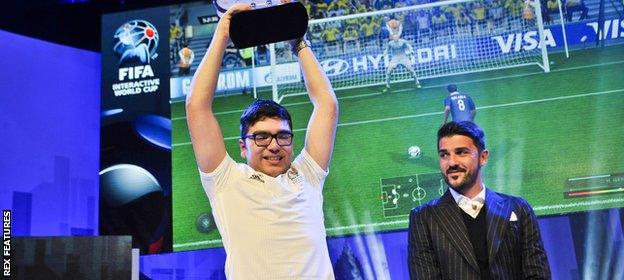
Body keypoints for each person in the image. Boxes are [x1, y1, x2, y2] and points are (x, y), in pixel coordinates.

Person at [185, 3, 339, 279]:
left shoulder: (308, 175)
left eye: (282, 135)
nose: (274, 145)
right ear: (242, 146)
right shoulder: (226, 182)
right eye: (261, 137)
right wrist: (222, 34)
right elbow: (197, 106)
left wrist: (298, 40)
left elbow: (327, 104)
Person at [408, 121, 551, 279]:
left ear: (483, 157)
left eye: (461, 152)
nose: (452, 162)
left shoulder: (519, 208)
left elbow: (537, 273)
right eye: (444, 155)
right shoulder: (424, 217)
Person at [382, 28, 421, 93]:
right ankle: (387, 86)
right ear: (392, 38)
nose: (395, 39)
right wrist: (384, 55)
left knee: (411, 70)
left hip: (403, 57)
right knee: (388, 72)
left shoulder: (403, 41)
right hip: (395, 58)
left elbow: (409, 46)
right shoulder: (390, 43)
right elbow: (386, 50)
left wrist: (411, 51)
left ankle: (417, 83)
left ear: (398, 37)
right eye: (394, 37)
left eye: (396, 37)